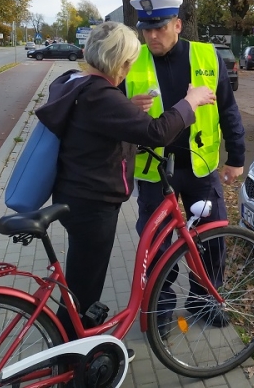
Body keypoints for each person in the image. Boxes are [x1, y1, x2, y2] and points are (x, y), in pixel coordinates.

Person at [34, 21, 216, 348]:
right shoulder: (100, 94)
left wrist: (127, 110)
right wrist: (190, 101)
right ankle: (71, 362)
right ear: (121, 63)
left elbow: (94, 123)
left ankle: (75, 341)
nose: (130, 68)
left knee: (80, 282)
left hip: (74, 194)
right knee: (83, 290)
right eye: (129, 62)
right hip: (92, 204)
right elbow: (156, 133)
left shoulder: (77, 82)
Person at [123, 0, 245, 336]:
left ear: (177, 25)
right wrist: (126, 104)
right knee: (157, 246)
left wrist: (236, 157)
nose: (152, 37)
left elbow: (228, 109)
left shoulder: (207, 56)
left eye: (160, 28)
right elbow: (109, 109)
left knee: (212, 238)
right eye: (146, 30)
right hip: (153, 170)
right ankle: (160, 312)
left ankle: (203, 300)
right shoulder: (130, 61)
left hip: (200, 166)